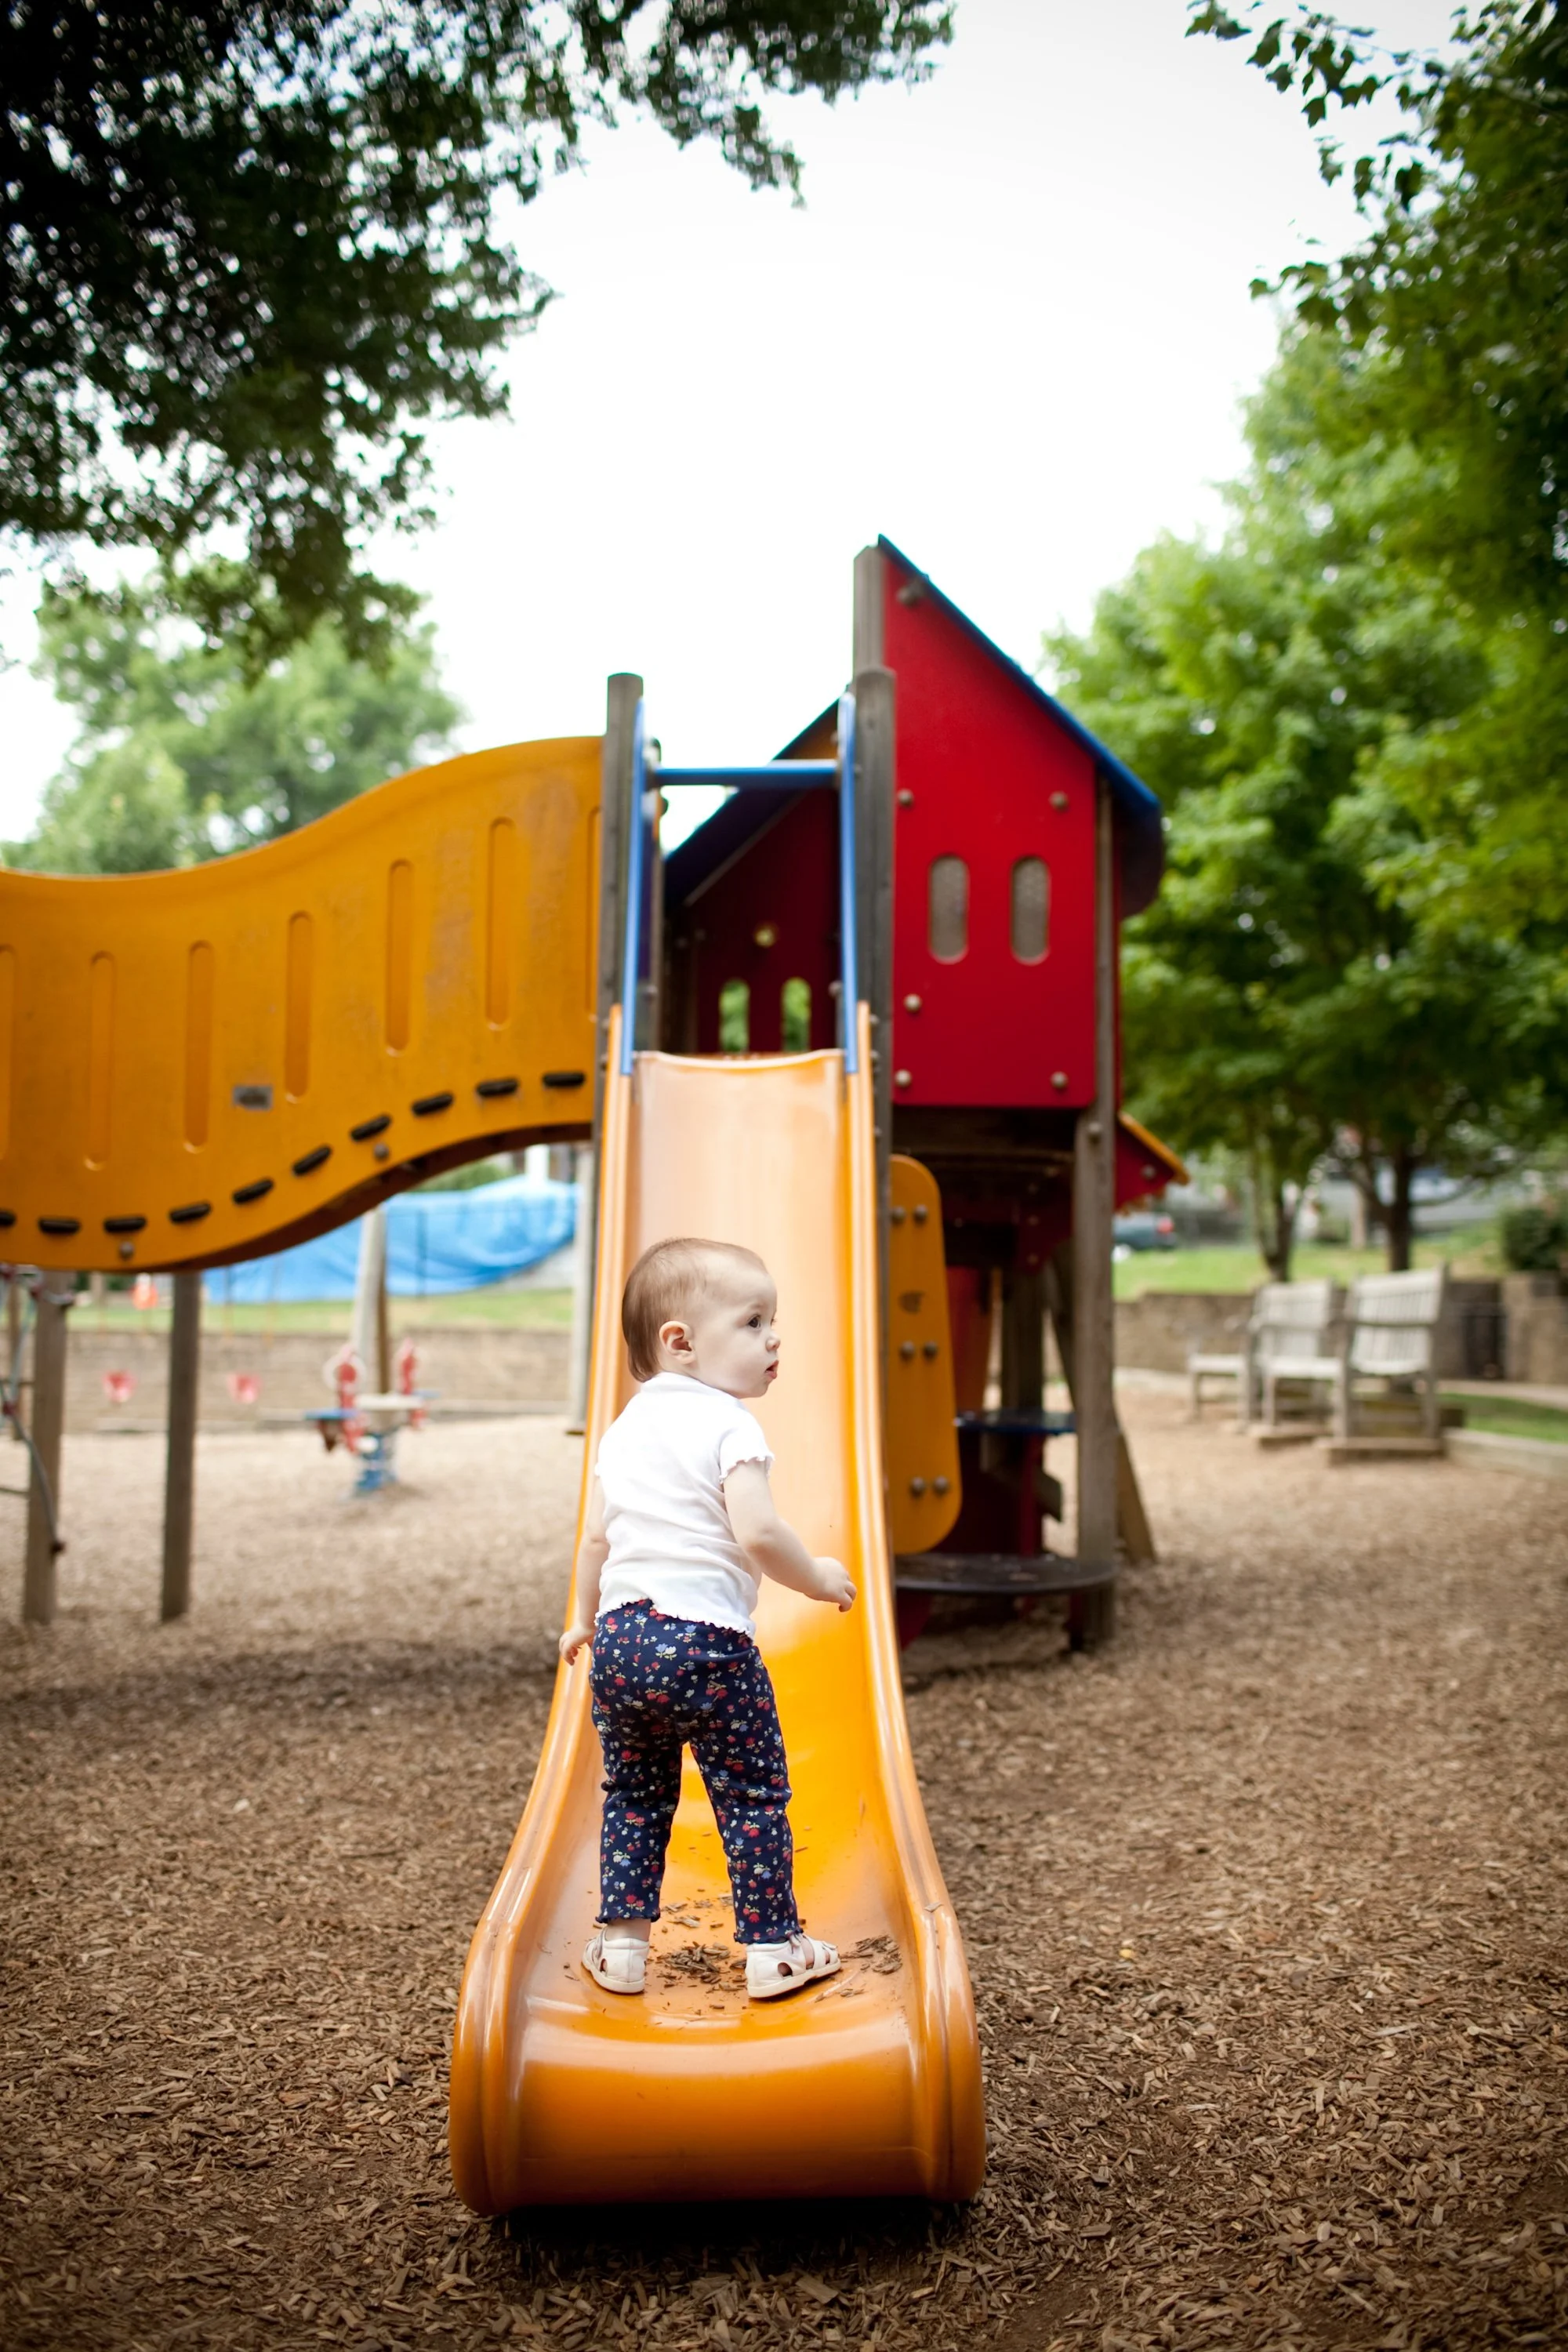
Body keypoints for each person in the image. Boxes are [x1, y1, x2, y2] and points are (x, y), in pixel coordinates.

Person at [558, 1235, 856, 2002]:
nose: (774, 1338)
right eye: (754, 1322)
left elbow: (596, 1538)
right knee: (751, 1797)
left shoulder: (622, 1432)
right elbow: (756, 1532)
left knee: (634, 1793)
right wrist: (817, 1577)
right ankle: (773, 1948)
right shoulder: (729, 1424)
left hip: (622, 1642)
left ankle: (620, 1947)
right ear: (681, 1343)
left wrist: (581, 1622)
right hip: (706, 1644)